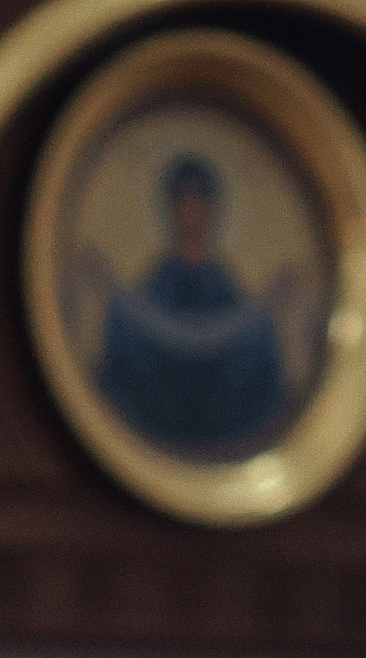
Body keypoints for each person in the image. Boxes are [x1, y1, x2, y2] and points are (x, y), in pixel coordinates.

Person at [92, 152, 293, 456]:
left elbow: (264, 384)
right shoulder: (138, 306)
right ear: (169, 208)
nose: (192, 213)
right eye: (183, 201)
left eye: (201, 201)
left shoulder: (239, 307)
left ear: (214, 210)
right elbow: (119, 377)